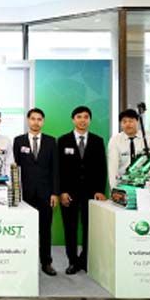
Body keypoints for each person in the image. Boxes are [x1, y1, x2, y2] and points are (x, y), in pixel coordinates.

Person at [58, 105, 107, 274]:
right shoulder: (63, 140)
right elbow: (59, 169)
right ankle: (72, 261)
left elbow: (102, 168)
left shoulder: (97, 141)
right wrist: (62, 191)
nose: (82, 120)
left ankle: (85, 260)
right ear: (73, 120)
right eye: (79, 117)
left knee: (89, 228)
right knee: (70, 228)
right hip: (69, 193)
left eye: (86, 117)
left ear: (90, 120)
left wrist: (100, 190)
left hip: (91, 193)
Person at [14, 108, 59, 276]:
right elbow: (15, 168)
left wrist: (54, 193)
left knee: (45, 230)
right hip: (25, 194)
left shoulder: (51, 141)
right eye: (33, 119)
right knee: (25, 230)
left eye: (39, 119)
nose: (36, 122)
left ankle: (46, 263)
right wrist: (16, 192)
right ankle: (25, 262)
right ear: (28, 120)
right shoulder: (18, 141)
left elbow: (55, 169)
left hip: (46, 194)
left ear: (43, 122)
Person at [107, 108, 150, 189]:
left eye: (131, 121)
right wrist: (114, 188)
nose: (128, 124)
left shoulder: (148, 138)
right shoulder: (115, 140)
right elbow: (113, 167)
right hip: (123, 184)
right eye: (124, 122)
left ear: (137, 121)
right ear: (121, 124)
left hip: (145, 184)